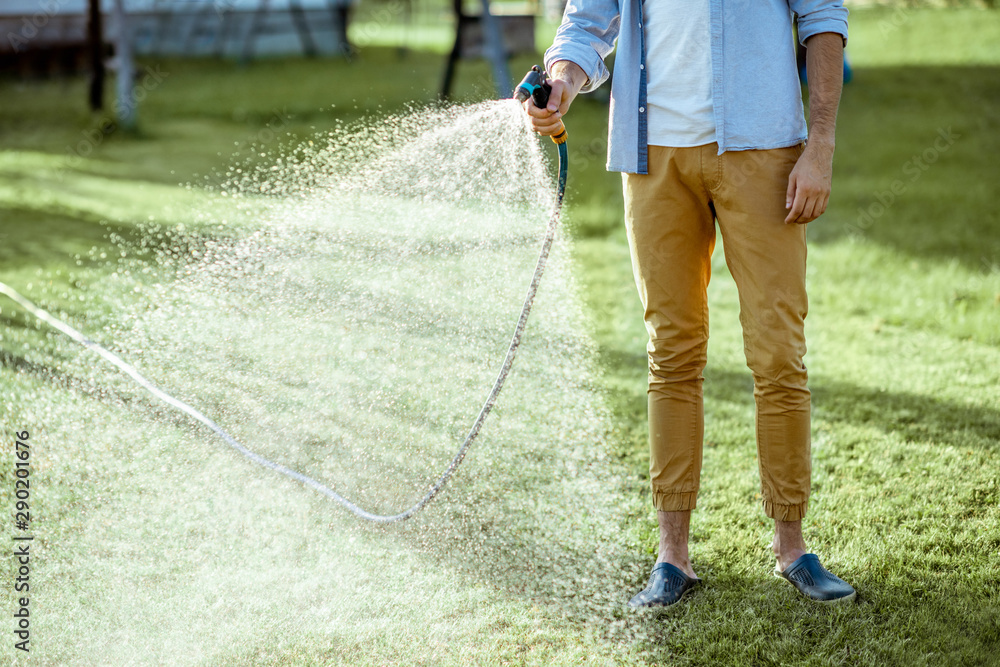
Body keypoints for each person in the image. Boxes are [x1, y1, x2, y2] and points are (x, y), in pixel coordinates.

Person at [524, 0, 856, 607]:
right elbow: (586, 24)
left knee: (778, 351)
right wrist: (562, 81)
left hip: (763, 149)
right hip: (651, 157)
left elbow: (823, 20)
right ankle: (672, 558)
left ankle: (794, 550)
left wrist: (822, 145)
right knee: (670, 354)